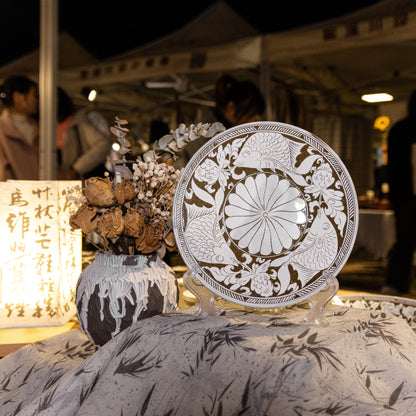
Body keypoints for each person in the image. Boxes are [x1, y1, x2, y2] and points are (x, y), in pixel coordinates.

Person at [179, 74, 265, 166]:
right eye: (248, 116)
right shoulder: (203, 136)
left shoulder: (229, 132)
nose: (251, 122)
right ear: (231, 107)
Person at [382, 90, 416, 295]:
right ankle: (396, 284)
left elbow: (390, 169)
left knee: (404, 243)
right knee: (404, 243)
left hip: (402, 198)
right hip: (405, 197)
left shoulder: (398, 129)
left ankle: (396, 284)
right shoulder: (401, 129)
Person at [58, 87, 112, 180]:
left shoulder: (79, 124)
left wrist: (77, 168)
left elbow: (103, 145)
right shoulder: (43, 127)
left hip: (80, 180)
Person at [0, 75, 39, 180]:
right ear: (17, 96)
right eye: (34, 95)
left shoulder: (38, 127)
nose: (37, 101)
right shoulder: (2, 128)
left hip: (40, 190)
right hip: (14, 193)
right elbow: (2, 169)